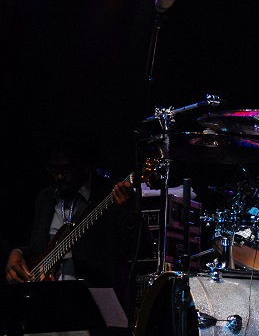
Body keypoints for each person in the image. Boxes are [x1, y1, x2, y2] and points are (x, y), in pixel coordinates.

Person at [5, 141, 151, 334]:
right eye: (53, 168)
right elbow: (38, 247)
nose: (59, 175)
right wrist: (17, 253)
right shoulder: (45, 198)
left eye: (65, 168)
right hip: (45, 312)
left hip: (92, 315)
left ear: (84, 165)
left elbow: (143, 249)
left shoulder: (109, 194)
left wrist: (130, 214)